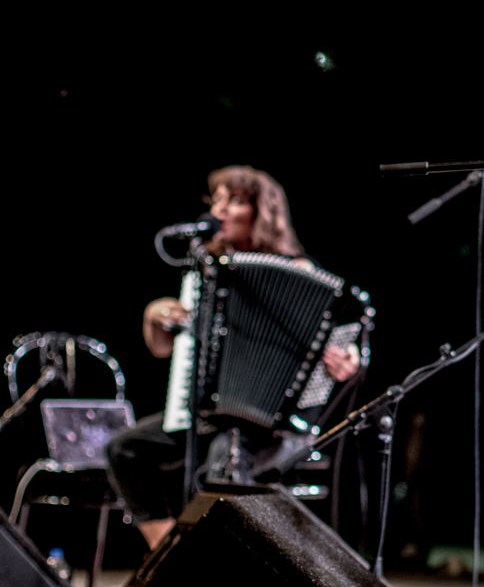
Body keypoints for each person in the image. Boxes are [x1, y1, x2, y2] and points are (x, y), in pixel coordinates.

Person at [108, 166, 360, 551]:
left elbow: (345, 341)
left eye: (236, 201)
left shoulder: (299, 272)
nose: (220, 210)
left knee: (222, 457)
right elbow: (161, 348)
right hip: (209, 416)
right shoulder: (206, 274)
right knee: (125, 449)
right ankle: (170, 556)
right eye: (217, 200)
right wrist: (155, 315)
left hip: (275, 426)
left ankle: (227, 564)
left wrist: (349, 359)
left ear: (263, 213)